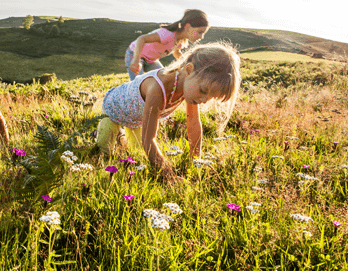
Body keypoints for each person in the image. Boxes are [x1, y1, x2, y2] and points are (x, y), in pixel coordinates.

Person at [97, 42, 241, 180]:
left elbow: (194, 124)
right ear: (189, 70)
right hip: (114, 110)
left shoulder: (190, 88)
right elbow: (149, 140)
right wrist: (168, 174)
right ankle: (112, 134)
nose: (204, 100)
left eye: (210, 97)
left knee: (137, 156)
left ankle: (121, 137)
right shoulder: (157, 89)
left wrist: (195, 162)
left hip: (136, 120)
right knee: (103, 154)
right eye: (203, 91)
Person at [126, 9, 210, 80]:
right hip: (135, 54)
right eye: (200, 32)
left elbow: (176, 53)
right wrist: (136, 59)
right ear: (188, 27)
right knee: (137, 82)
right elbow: (141, 39)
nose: (202, 37)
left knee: (163, 77)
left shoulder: (180, 40)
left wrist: (188, 63)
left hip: (151, 60)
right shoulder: (168, 34)